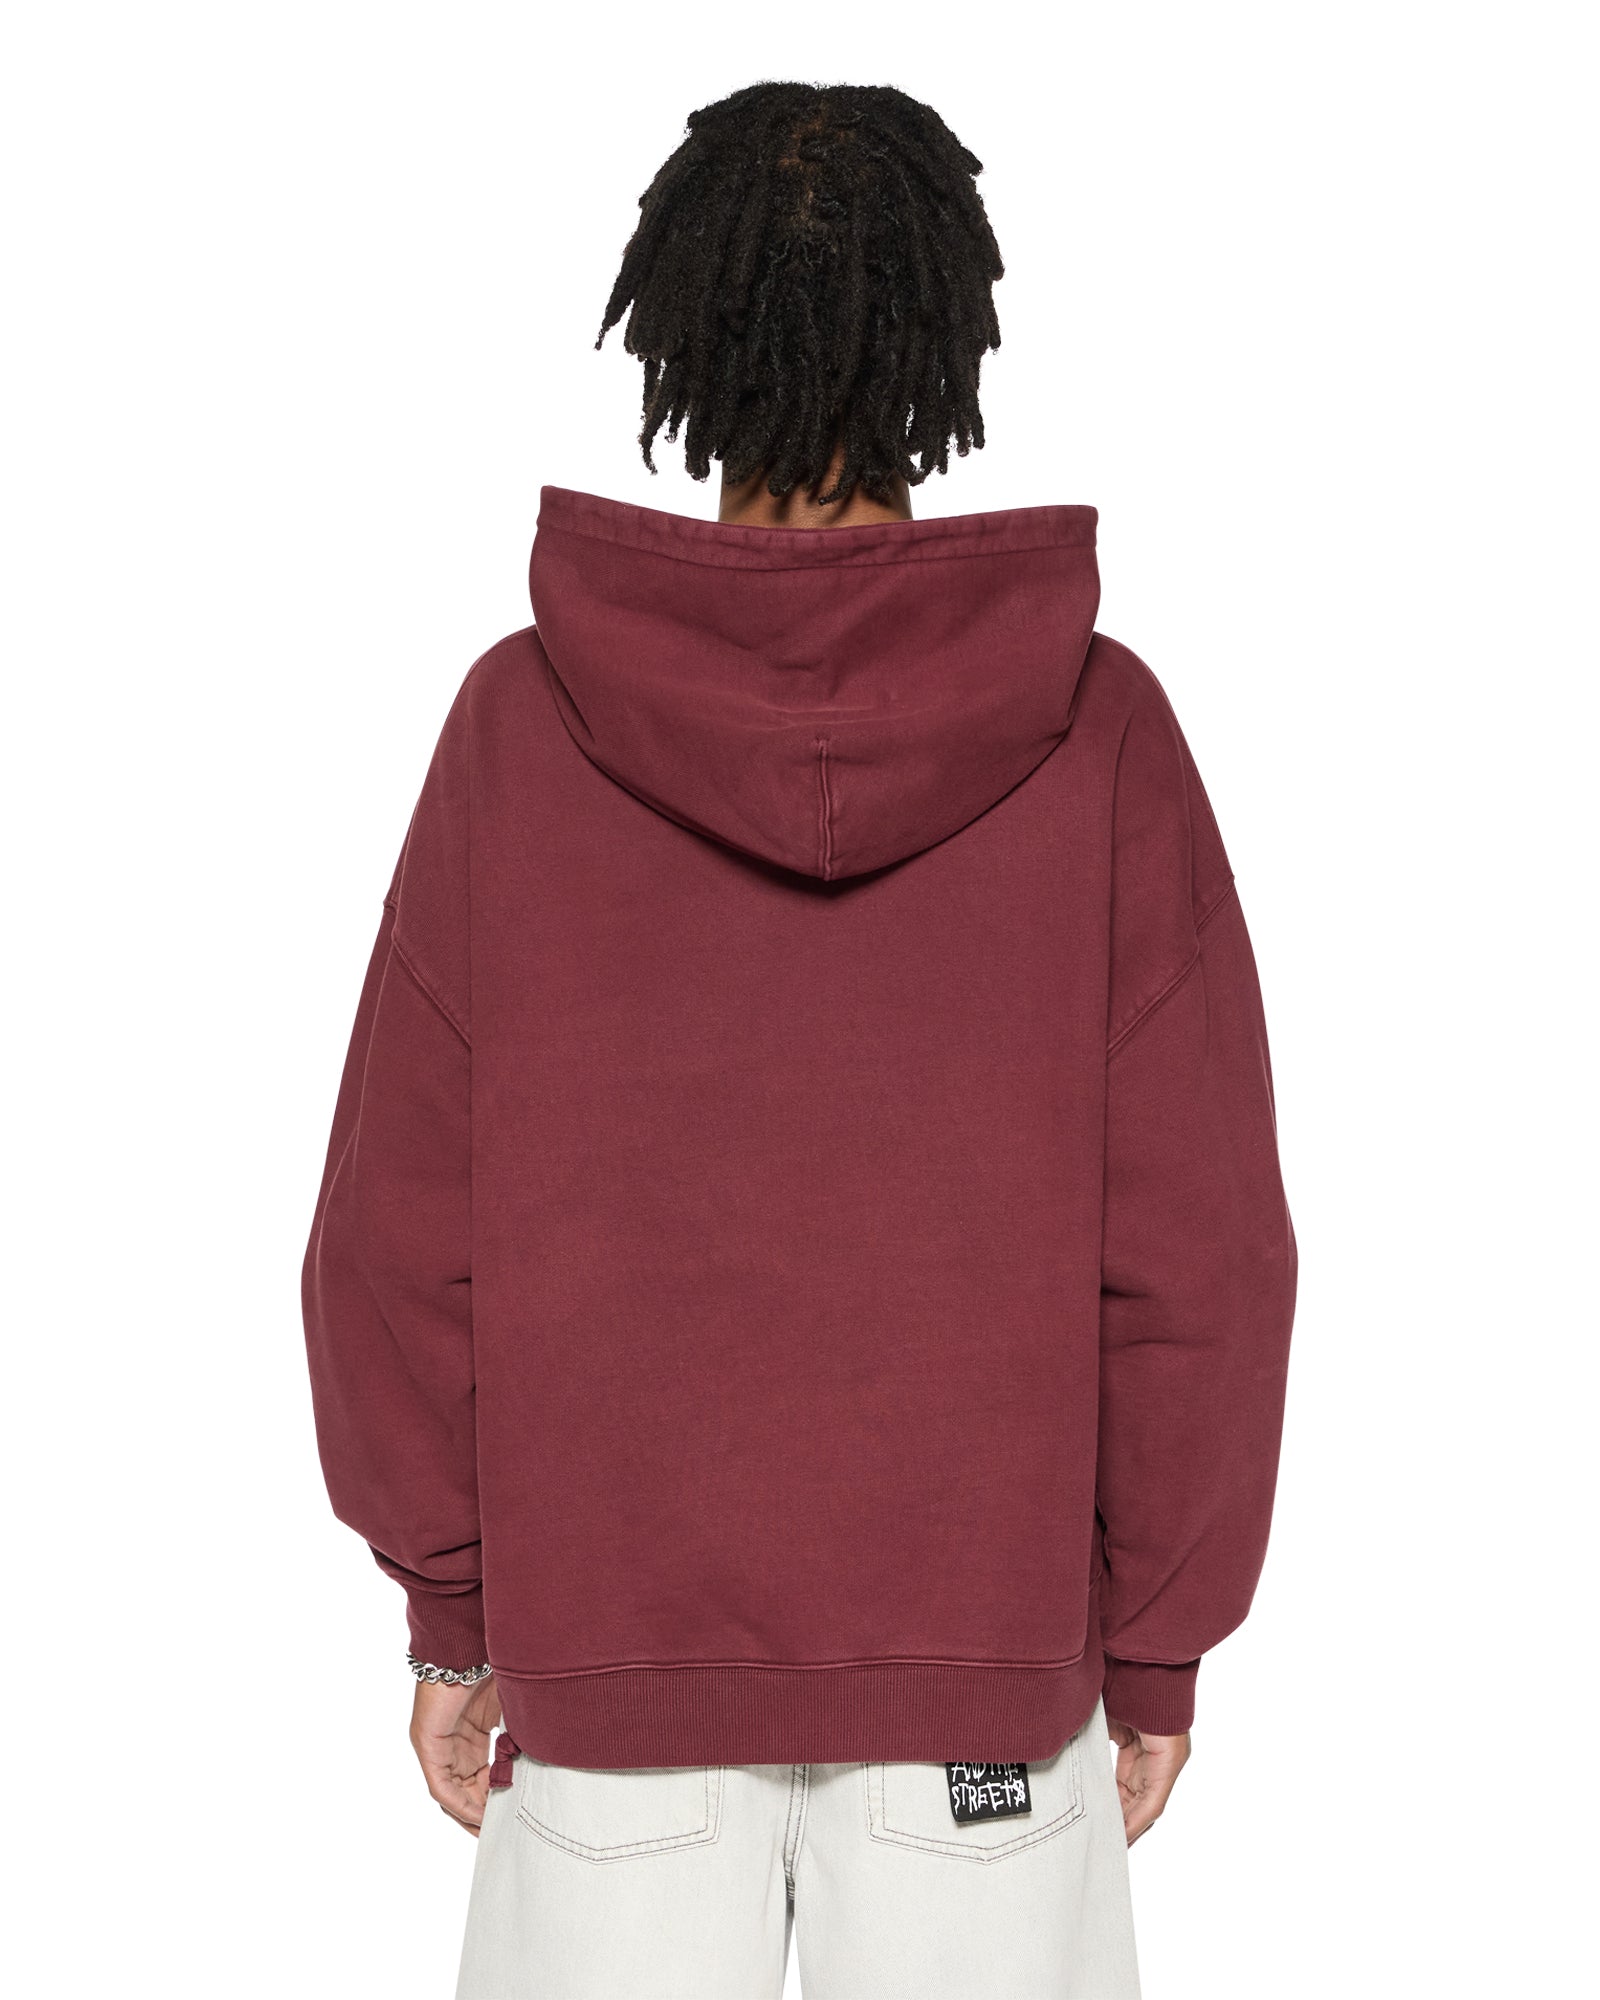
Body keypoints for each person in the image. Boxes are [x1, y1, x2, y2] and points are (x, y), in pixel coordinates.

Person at [302, 80, 1296, 2000]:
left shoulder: (520, 731)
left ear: (681, 341)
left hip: (609, 1710)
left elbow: (389, 1245)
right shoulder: (1099, 736)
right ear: (943, 345)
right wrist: (1160, 1645)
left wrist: (453, 1610)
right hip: (988, 1720)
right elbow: (1205, 1259)